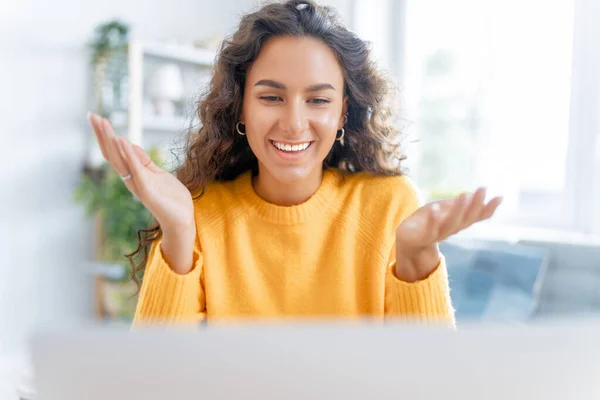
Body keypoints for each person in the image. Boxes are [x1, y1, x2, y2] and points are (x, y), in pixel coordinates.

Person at [87, 0, 501, 327]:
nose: (294, 123)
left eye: (318, 100)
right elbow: (156, 379)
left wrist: (415, 260)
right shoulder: (202, 213)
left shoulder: (389, 205)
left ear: (342, 113)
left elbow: (431, 380)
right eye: (271, 97)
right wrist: (178, 230)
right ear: (241, 108)